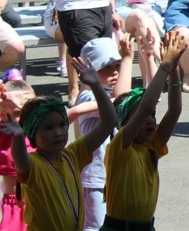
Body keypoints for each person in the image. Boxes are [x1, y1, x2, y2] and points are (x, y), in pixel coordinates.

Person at [0, 58, 116, 230]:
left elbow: (109, 122)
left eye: (62, 125)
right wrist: (17, 138)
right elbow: (20, 160)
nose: (58, 133)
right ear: (32, 134)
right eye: (48, 128)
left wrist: (97, 86)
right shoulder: (34, 164)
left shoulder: (74, 154)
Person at [102, 32, 186, 230]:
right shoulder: (119, 147)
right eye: (141, 117)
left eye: (153, 116)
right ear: (126, 123)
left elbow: (174, 111)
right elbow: (147, 105)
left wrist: (173, 69)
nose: (150, 121)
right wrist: (164, 66)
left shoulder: (151, 146)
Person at [72, 36, 133, 231]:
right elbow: (121, 100)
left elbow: (134, 98)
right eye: (106, 67)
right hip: (95, 178)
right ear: (89, 71)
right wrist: (127, 60)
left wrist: (148, 59)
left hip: (112, 174)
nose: (115, 71)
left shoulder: (103, 95)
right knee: (95, 226)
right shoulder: (86, 97)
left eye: (117, 66)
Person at [0, 79, 36, 228]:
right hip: (14, 204)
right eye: (17, 112)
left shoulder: (39, 131)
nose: (24, 116)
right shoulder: (3, 132)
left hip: (39, 201)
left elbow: (75, 111)